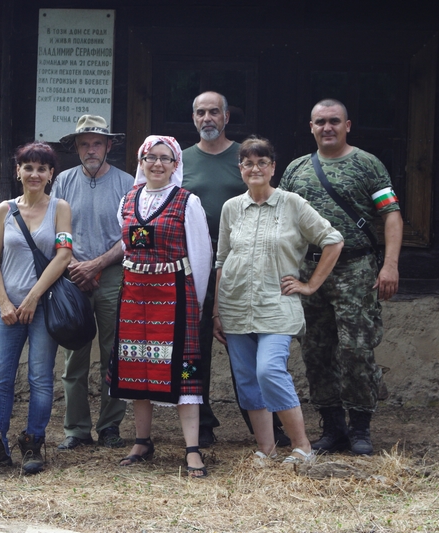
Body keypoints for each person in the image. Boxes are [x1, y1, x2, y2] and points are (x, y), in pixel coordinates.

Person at [279, 99, 403, 455]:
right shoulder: (297, 170)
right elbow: (283, 221)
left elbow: (391, 215)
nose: (327, 127)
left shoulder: (367, 165)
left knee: (355, 349)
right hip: (309, 269)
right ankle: (333, 427)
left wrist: (390, 264)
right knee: (316, 351)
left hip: (356, 269)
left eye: (335, 121)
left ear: (348, 125)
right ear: (311, 127)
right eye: (321, 122)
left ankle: (360, 427)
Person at [213, 136, 344, 464]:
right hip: (235, 306)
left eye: (262, 162)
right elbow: (221, 260)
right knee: (247, 378)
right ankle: (267, 449)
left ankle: (302, 447)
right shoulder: (232, 208)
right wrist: (216, 309)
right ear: (240, 168)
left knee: (269, 370)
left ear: (273, 167)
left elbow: (333, 240)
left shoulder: (292, 204)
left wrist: (310, 285)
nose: (254, 168)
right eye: (247, 163)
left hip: (276, 305)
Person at [181, 91, 289, 448]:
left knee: (247, 352)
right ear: (194, 118)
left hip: (240, 268)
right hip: (193, 268)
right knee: (193, 351)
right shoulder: (181, 160)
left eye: (214, 111)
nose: (207, 118)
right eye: (201, 112)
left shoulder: (244, 157)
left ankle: (267, 427)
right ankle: (204, 422)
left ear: (227, 116)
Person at [0, 142, 72, 475]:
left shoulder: (60, 208)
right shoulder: (4, 210)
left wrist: (34, 296)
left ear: (51, 174)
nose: (34, 174)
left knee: (40, 378)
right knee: (0, 378)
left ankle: (33, 442)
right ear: (18, 171)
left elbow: (64, 255)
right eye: (28, 167)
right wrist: (3, 301)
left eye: (42, 168)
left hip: (42, 306)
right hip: (7, 308)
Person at [108, 135, 212, 478]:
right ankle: (142, 441)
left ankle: (192, 450)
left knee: (183, 372)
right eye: (150, 157)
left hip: (174, 295)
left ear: (175, 164)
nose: (157, 163)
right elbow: (125, 246)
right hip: (134, 295)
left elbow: (200, 255)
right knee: (137, 364)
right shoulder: (127, 199)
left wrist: (194, 305)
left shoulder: (188, 202)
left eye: (165, 158)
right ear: (141, 161)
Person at [52, 115, 134, 450]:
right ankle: (77, 429)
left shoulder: (127, 182)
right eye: (84, 144)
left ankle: (111, 426)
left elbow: (132, 234)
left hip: (114, 272)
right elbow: (52, 229)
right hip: (71, 274)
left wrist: (98, 265)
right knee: (75, 355)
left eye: (97, 143)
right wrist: (74, 266)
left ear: (108, 146)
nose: (91, 149)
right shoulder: (62, 182)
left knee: (115, 353)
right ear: (76, 147)